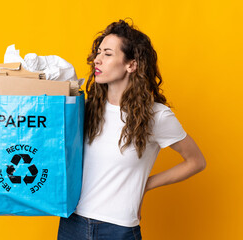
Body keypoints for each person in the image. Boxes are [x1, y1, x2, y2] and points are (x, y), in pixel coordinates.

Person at [57, 18, 206, 240]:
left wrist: (145, 185)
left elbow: (196, 161)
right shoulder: (85, 109)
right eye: (98, 53)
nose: (97, 60)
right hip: (72, 224)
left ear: (131, 64)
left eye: (107, 54)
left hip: (118, 230)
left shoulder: (156, 116)